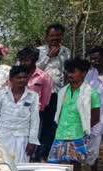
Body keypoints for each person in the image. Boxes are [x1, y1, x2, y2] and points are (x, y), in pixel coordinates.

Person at [48, 57, 100, 171]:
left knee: (74, 170)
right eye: (68, 72)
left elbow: (95, 117)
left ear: (83, 73)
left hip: (77, 135)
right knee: (56, 169)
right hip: (60, 134)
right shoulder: (63, 91)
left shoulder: (92, 93)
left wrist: (83, 132)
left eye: (73, 72)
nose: (70, 75)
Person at [0, 65, 40, 164]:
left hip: (22, 138)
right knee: (2, 166)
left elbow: (35, 119)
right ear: (11, 79)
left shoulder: (33, 96)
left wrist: (32, 141)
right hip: (2, 136)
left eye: (25, 77)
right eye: (18, 78)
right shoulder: (2, 95)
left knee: (21, 167)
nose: (22, 80)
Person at [37, 24, 71, 160]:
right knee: (38, 124)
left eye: (58, 36)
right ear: (46, 37)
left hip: (57, 94)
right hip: (39, 94)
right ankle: (35, 154)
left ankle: (46, 155)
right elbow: (34, 71)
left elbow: (67, 71)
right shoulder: (39, 51)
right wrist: (48, 57)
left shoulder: (66, 52)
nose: (55, 38)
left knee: (51, 125)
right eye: (52, 36)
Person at [17, 47, 53, 114]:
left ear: (34, 60)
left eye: (26, 60)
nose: (23, 63)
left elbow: (45, 100)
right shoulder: (16, 76)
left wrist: (39, 111)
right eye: (21, 60)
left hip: (35, 113)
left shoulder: (44, 76)